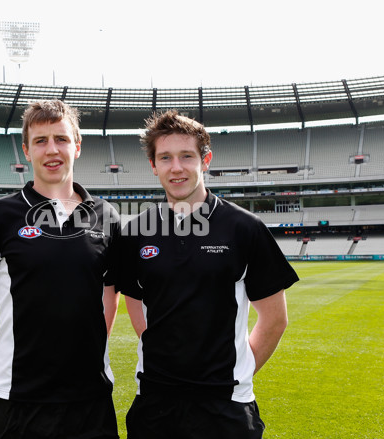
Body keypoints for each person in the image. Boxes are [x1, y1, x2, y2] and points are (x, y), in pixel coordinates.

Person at [117, 110, 299, 439]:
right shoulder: (135, 232)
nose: (176, 168)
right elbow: (135, 303)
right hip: (155, 403)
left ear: (205, 160)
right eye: (165, 158)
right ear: (153, 166)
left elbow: (274, 319)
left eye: (187, 156)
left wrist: (237, 371)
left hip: (226, 406)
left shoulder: (245, 229)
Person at [0, 99, 121, 439]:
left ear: (77, 147)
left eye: (61, 139)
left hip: (90, 401)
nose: (52, 150)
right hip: (15, 405)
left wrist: (85, 358)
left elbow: (109, 297)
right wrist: (1, 373)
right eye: (41, 140)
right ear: (26, 150)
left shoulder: (108, 217)